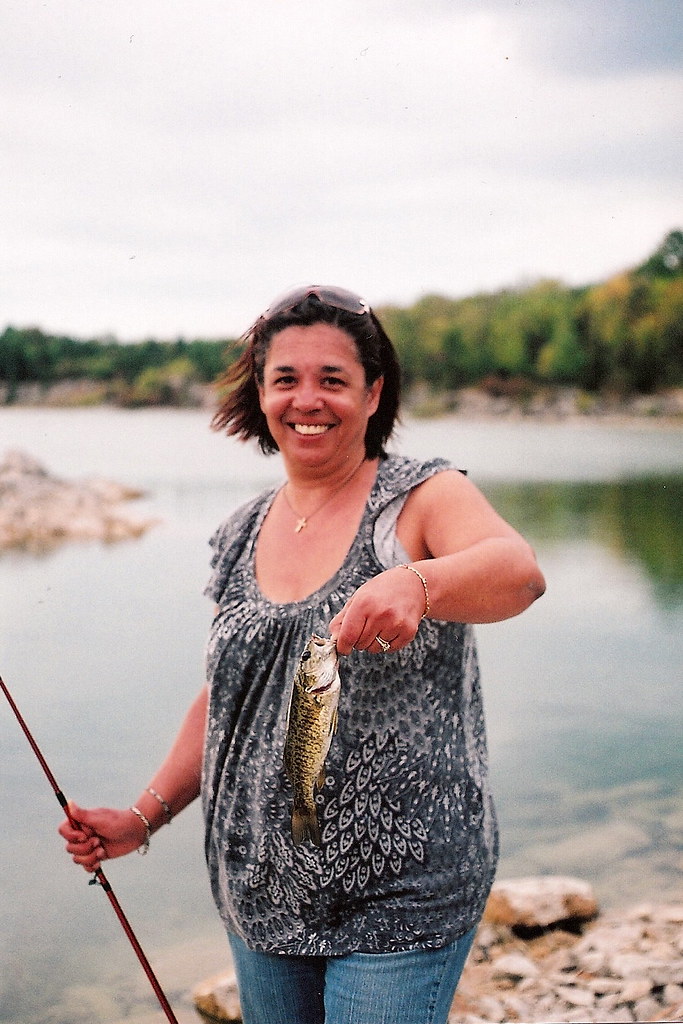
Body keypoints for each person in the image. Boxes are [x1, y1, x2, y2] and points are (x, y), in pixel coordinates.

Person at [60, 284, 546, 1024]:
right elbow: (228, 699)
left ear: (373, 393)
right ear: (261, 393)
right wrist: (143, 816)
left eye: (332, 379)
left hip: (400, 889)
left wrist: (418, 582)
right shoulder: (241, 529)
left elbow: (518, 573)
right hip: (259, 885)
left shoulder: (420, 496)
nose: (307, 400)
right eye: (285, 378)